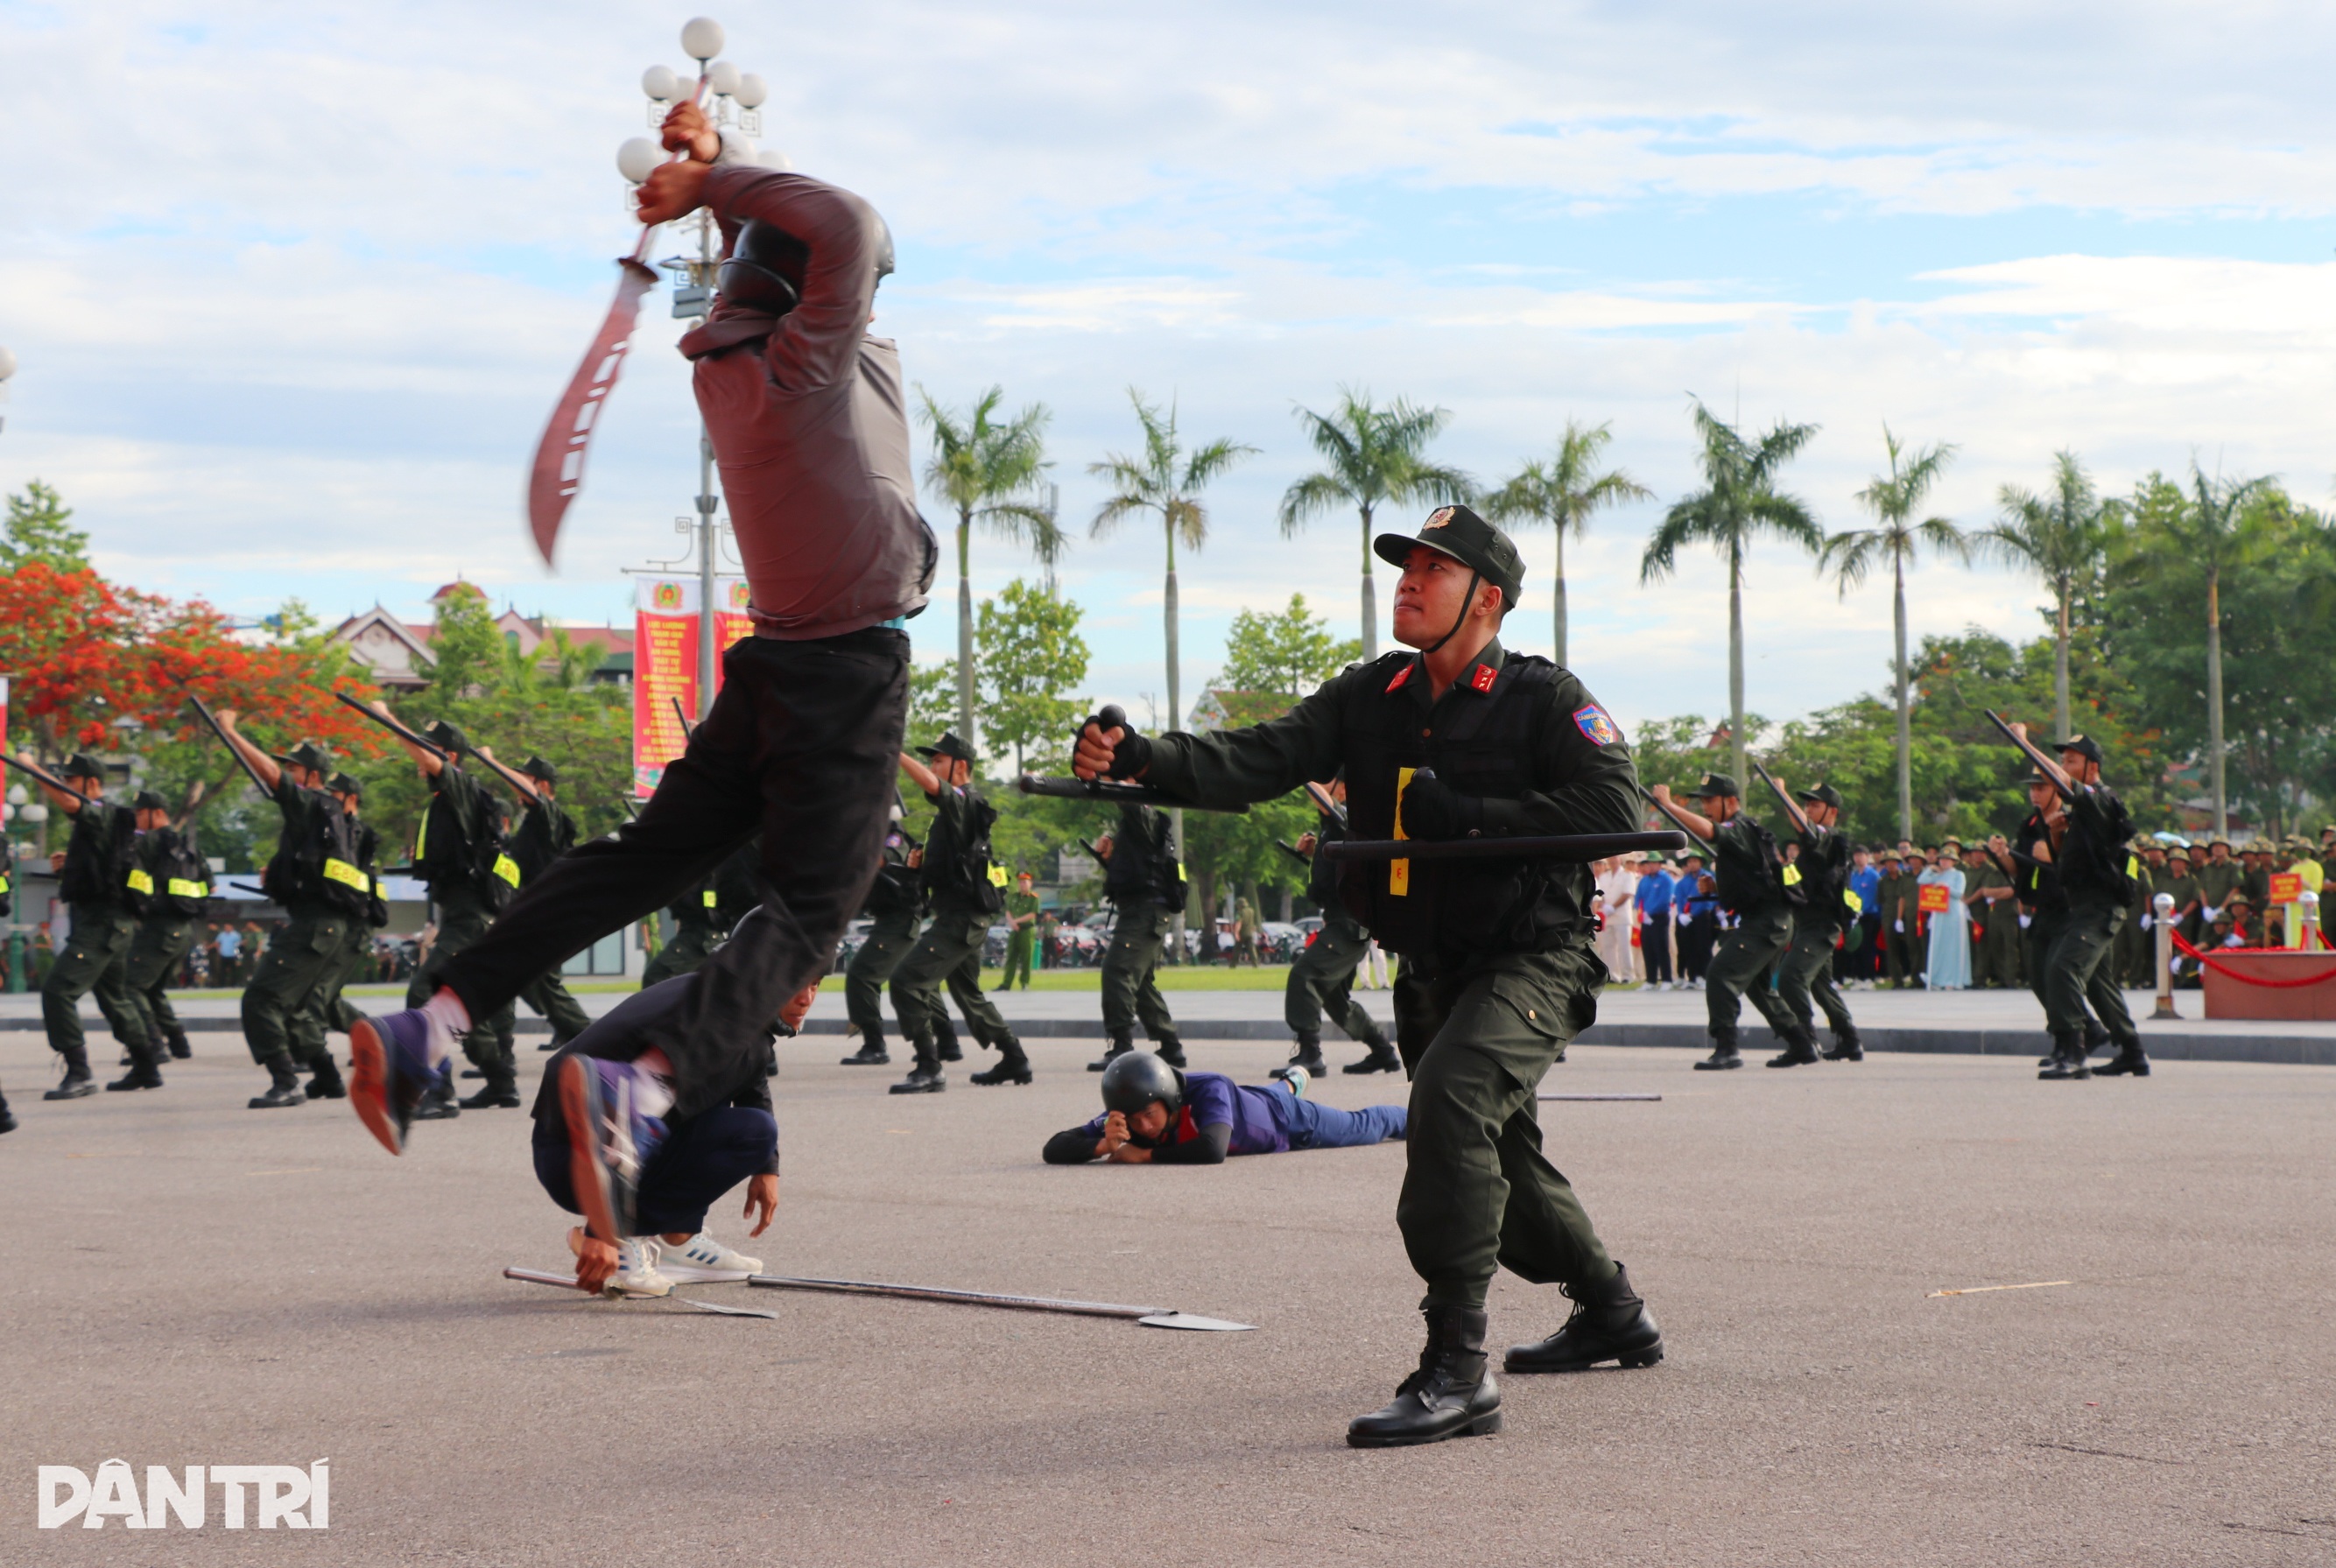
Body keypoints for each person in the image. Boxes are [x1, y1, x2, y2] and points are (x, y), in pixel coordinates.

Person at [1072, 503, 1661, 1449]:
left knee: (1452, 1109)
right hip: (1434, 969)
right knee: (1498, 1156)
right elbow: (1257, 755)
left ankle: (1456, 1368)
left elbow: (1615, 804)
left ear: (1487, 599)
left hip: (1532, 957)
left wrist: (1469, 813)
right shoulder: (1371, 693)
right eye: (1405, 567)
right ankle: (1612, 1310)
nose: (1409, 582)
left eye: (1434, 570)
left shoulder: (1543, 698)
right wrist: (1142, 758)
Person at [543, 973, 817, 1297]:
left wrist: (767, 1170)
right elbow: (625, 1126)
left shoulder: (725, 1006)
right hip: (574, 1158)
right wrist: (603, 1232)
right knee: (753, 1132)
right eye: (796, 984)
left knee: (746, 1122)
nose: (806, 999)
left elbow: (752, 1086)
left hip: (576, 1145)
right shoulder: (709, 1022)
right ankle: (625, 1242)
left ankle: (679, 1240)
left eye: (815, 985)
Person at [206, 727, 373, 1107]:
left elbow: (270, 776)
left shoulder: (311, 803)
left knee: (260, 999)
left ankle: (285, 1081)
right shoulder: (332, 815)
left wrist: (230, 731)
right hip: (328, 925)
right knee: (297, 1006)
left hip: (316, 925)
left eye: (294, 769)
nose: (288, 775)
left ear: (313, 776)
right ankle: (327, 1077)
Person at [374, 714, 526, 1113]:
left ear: (451, 757)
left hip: (470, 917)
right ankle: (501, 1082)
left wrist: (387, 718)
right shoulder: (449, 801)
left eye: (429, 749)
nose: (418, 758)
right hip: (464, 916)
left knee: (424, 992)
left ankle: (439, 1091)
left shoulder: (460, 787)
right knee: (463, 1002)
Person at [888, 736, 1025, 1093]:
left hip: (961, 920)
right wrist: (916, 867)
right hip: (962, 916)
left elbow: (935, 786)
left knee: (906, 980)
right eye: (931, 762)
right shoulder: (953, 814)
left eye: (938, 761)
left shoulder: (964, 801)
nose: (932, 768)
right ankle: (1014, 1058)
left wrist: (893, 752)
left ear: (960, 766)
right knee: (968, 993)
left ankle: (929, 1066)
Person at [2021, 730, 2148, 1079]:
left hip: (2100, 907)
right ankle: (2133, 1052)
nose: (2064, 766)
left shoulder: (2097, 797)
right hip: (2085, 906)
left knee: (2063, 968)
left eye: (2071, 761)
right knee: (2098, 984)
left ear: (2093, 767)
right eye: (2062, 761)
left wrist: (2024, 742)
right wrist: (2057, 833)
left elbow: (2061, 782)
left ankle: (2074, 1051)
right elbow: (2067, 862)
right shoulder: (2084, 809)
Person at [1652, 775, 1799, 1071]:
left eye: (1710, 800)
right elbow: (1754, 882)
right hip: (1771, 918)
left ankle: (1727, 1048)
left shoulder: (1738, 827)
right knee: (1758, 987)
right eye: (1703, 801)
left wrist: (1668, 805)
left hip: (1767, 920)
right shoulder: (1742, 834)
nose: (1705, 806)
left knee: (1720, 974)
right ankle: (1802, 1044)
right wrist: (1717, 889)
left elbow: (1709, 831)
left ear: (1731, 802)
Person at [31, 755, 155, 1100]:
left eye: (71, 780)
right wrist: (67, 868)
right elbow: (100, 875)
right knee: (114, 998)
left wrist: (32, 768)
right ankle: (147, 1066)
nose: (65, 786)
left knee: (58, 991)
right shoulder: (100, 824)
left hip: (102, 925)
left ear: (93, 783)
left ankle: (80, 1073)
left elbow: (72, 804)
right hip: (108, 923)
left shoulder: (101, 813)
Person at [1044, 1053, 1404, 1164]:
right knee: (1264, 1093)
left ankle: (1415, 1117)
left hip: (1289, 1121)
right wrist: (1101, 1145)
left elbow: (1212, 1149)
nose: (1145, 1127)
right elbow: (1054, 1147)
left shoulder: (1208, 1088)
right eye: (1134, 1121)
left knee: (1364, 1126)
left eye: (1150, 1115)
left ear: (1169, 1098)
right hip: (1249, 1102)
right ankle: (1290, 1080)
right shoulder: (1131, 1109)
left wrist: (1143, 1155)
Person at [1284, 777, 1399, 1076]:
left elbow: (1324, 801)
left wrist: (1301, 770)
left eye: (1327, 781)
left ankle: (1311, 1054)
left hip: (1348, 924)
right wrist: (1311, 855)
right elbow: (1332, 878)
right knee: (1334, 998)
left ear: (1344, 789)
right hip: (1344, 921)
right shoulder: (1333, 827)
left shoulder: (1345, 817)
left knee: (1303, 977)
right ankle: (1383, 1052)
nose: (1319, 786)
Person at [283, 773, 383, 1100]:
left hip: (354, 925)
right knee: (327, 999)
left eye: (336, 794)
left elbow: (353, 882)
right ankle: (375, 1037)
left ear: (351, 798)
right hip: (340, 922)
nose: (329, 800)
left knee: (315, 996)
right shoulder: (335, 827)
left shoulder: (357, 832)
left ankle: (318, 1061)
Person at [497, 756, 597, 1052]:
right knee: (530, 977)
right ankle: (569, 1030)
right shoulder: (532, 821)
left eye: (525, 779)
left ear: (541, 785)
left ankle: (587, 1036)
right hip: (534, 909)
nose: (517, 788)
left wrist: (490, 761)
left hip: (549, 910)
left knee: (540, 978)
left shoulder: (548, 815)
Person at [116, 789, 210, 1077]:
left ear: (156, 813)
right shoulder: (189, 847)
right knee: (152, 988)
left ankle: (153, 1045)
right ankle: (178, 1041)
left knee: (131, 986)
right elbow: (209, 885)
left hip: (158, 930)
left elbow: (131, 881)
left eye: (139, 813)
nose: (136, 819)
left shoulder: (146, 843)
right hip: (184, 931)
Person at [1088, 799, 1186, 1075]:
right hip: (1138, 910)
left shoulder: (1145, 816)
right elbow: (1136, 872)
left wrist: (1120, 781)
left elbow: (1131, 802)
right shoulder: (1135, 829)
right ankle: (1170, 1045)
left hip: (1146, 913)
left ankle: (1122, 1045)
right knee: (1140, 983)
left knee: (1117, 971)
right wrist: (1108, 859)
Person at [1767, 781, 1861, 1065]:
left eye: (1815, 805)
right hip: (1808, 923)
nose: (1808, 809)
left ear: (1832, 811)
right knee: (1821, 986)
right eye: (1806, 804)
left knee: (1790, 977)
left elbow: (1803, 827)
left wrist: (1782, 793)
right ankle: (1850, 1041)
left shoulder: (1826, 837)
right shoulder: (1815, 844)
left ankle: (1805, 1041)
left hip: (1821, 925)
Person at [840, 824, 922, 1065]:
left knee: (861, 975)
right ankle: (946, 1042)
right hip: (890, 919)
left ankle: (875, 1046)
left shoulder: (893, 837)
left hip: (900, 919)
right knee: (915, 984)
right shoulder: (872, 834)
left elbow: (881, 860)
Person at [1917, 843, 1969, 990]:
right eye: (1942, 859)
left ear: (1954, 861)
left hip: (1953, 913)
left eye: (1948, 859)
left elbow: (1959, 893)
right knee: (1938, 945)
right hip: (1939, 912)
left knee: (1952, 946)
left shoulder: (1959, 875)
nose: (1944, 862)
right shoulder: (1937, 875)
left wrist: (1945, 887)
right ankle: (1936, 978)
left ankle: (1952, 980)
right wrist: (1930, 869)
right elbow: (1920, 881)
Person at [1672, 851, 1717, 985]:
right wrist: (1681, 913)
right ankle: (1692, 977)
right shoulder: (1683, 881)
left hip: (1702, 916)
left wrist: (1693, 913)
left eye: (1695, 861)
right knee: (1688, 946)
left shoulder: (1707, 877)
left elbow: (1709, 900)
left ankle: (1705, 976)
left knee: (1703, 947)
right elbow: (1680, 898)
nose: (1692, 864)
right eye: (1689, 862)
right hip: (1686, 917)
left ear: (1701, 863)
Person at [1843, 845, 1882, 988]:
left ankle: (1869, 977)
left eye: (1861, 855)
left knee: (1867, 947)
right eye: (1856, 855)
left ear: (1867, 857)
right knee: (1856, 947)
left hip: (1869, 915)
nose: (1858, 858)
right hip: (1855, 917)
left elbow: (1878, 896)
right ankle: (1859, 977)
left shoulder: (1873, 875)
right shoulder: (1853, 875)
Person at [1635, 854, 1676, 989]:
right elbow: (1638, 897)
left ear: (1659, 864)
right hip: (1646, 918)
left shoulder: (1666, 879)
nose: (1651, 866)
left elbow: (1665, 900)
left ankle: (1667, 979)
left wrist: (1650, 912)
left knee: (1661, 947)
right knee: (1648, 947)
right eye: (1649, 863)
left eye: (1654, 863)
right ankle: (1651, 980)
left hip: (1660, 917)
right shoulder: (1645, 880)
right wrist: (1640, 911)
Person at [1001, 870, 1041, 989]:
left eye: (1024, 882)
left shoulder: (1034, 898)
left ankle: (1024, 983)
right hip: (1015, 930)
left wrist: (1016, 921)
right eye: (1020, 882)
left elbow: (1032, 914)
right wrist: (1011, 922)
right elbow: (1008, 911)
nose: (1022, 884)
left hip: (1026, 930)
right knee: (1011, 957)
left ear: (1030, 883)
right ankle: (1006, 983)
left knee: (1026, 958)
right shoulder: (1014, 897)